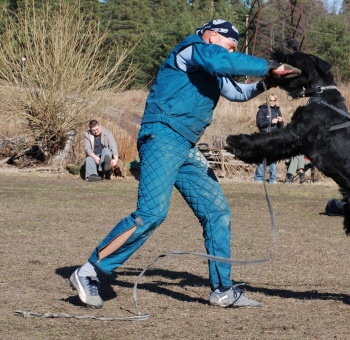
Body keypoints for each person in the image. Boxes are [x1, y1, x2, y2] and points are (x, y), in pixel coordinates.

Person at [69, 19, 292, 309]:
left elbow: (237, 92)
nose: (233, 52)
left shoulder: (213, 66)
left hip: (184, 145)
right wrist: (268, 64)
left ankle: (222, 289)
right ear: (212, 36)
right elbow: (223, 61)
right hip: (162, 135)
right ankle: (89, 271)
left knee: (217, 212)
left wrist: (268, 82)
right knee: (151, 214)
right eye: (231, 45)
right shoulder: (192, 49)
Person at [254, 94, 284, 183]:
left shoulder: (278, 111)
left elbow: (281, 127)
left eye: (274, 100)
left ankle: (273, 178)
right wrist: (270, 121)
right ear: (267, 101)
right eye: (271, 100)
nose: (272, 102)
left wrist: (281, 122)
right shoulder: (261, 110)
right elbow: (259, 124)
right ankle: (259, 178)